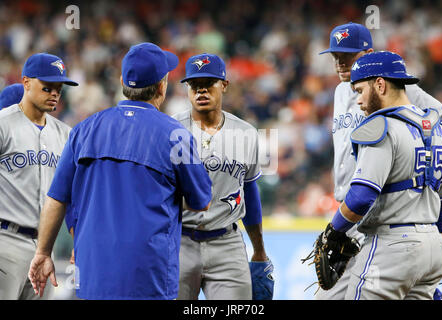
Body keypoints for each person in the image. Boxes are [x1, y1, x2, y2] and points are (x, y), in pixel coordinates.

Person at [27, 43, 213, 300]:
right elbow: (201, 202)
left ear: (124, 81)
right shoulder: (176, 135)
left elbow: (57, 197)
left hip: (92, 276)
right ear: (161, 86)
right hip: (148, 280)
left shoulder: (84, 129)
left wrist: (43, 253)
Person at [316, 22, 442, 300]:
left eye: (348, 56)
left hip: (379, 210)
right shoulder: (343, 91)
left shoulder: (395, 88)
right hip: (355, 212)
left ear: (367, 54)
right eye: (335, 56)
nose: (340, 62)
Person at [172, 53, 274, 300]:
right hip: (179, 242)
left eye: (208, 83)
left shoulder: (246, 133)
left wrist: (259, 250)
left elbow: (249, 191)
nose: (201, 90)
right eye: (195, 85)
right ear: (187, 88)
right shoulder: (171, 130)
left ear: (224, 85)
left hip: (227, 242)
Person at [0, 53, 78, 300]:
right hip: (5, 241)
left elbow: (73, 195)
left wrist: (78, 239)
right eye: (47, 86)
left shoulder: (66, 134)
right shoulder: (3, 124)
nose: (55, 93)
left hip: (45, 248)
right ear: (26, 82)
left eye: (59, 87)